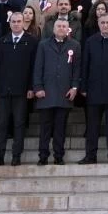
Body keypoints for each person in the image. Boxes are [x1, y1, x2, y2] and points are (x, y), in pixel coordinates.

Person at [0, 12, 38, 166]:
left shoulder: (32, 41)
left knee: (19, 123)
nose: (16, 24)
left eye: (19, 21)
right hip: (3, 90)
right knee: (2, 124)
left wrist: (31, 87)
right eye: (13, 21)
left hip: (22, 91)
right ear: (9, 23)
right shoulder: (1, 42)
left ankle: (16, 155)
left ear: (24, 23)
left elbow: (34, 67)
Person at [79, 13, 108, 165]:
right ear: (98, 24)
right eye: (102, 22)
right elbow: (85, 65)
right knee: (92, 127)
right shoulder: (90, 41)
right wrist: (83, 87)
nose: (105, 25)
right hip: (93, 90)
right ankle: (90, 155)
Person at [33, 17, 81, 165]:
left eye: (64, 26)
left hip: (64, 92)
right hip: (46, 92)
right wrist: (38, 87)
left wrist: (74, 87)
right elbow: (38, 67)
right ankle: (43, 156)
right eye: (58, 26)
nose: (61, 28)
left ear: (68, 29)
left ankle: (58, 156)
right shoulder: (43, 45)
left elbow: (76, 69)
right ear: (53, 29)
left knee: (60, 128)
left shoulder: (75, 45)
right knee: (45, 128)